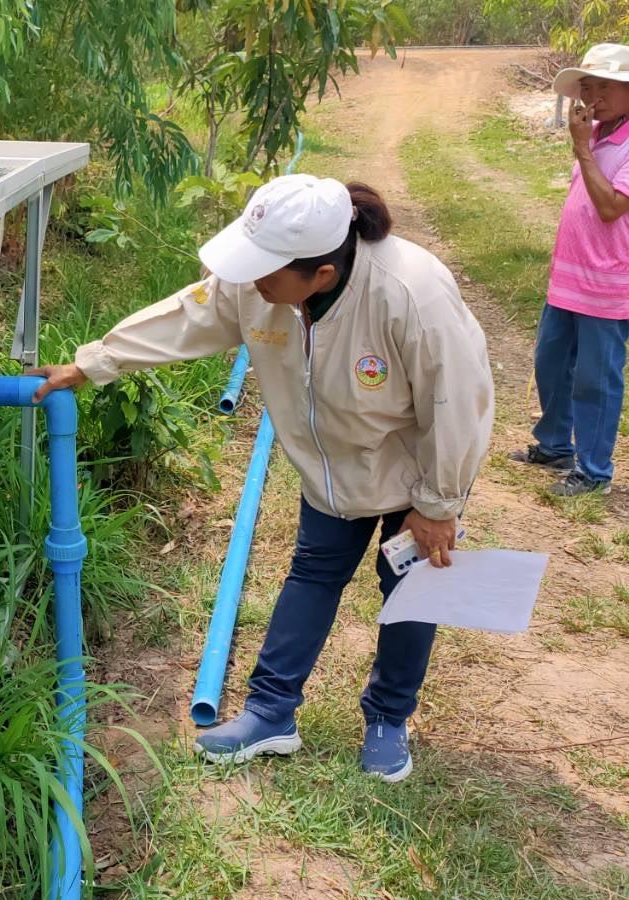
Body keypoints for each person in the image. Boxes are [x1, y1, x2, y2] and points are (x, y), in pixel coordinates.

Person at [28, 175, 494, 782]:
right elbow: (187, 316)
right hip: (332, 468)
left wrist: (437, 504)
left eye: (263, 272)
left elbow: (456, 401)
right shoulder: (258, 286)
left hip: (418, 461)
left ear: (321, 274)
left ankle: (388, 717)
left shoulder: (410, 293)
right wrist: (93, 363)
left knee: (408, 586)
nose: (249, 282)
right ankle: (271, 712)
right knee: (313, 572)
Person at [510, 42, 629, 497]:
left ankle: (594, 471)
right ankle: (555, 444)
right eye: (588, 87)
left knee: (595, 379)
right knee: (552, 362)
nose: (593, 97)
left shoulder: (604, 142)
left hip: (608, 284)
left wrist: (581, 149)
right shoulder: (597, 134)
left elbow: (609, 208)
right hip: (570, 277)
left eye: (605, 87)